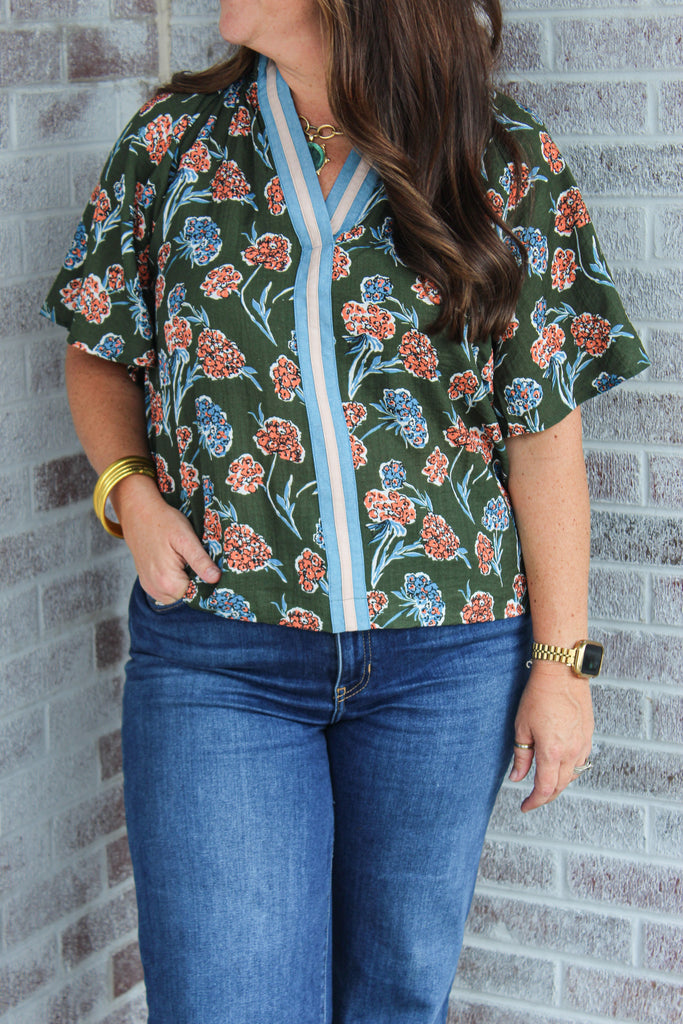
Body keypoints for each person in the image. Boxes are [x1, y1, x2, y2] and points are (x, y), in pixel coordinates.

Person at [42, 1, 649, 1021]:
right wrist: (128, 492)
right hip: (219, 655)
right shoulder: (173, 144)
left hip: (445, 664)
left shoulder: (497, 156)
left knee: (393, 999)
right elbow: (99, 348)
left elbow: (541, 431)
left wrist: (561, 667)